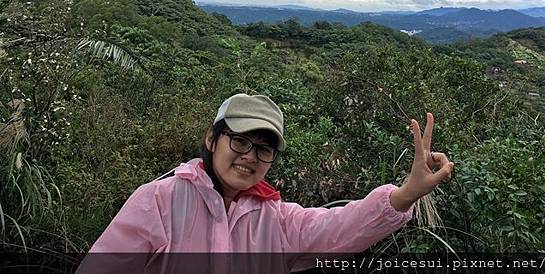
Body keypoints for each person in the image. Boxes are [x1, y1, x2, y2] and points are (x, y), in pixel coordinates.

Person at [77, 93, 454, 274]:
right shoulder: (160, 200)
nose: (249, 157)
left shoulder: (272, 218)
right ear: (212, 139)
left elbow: (337, 229)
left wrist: (405, 195)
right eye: (240, 141)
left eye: (263, 149)